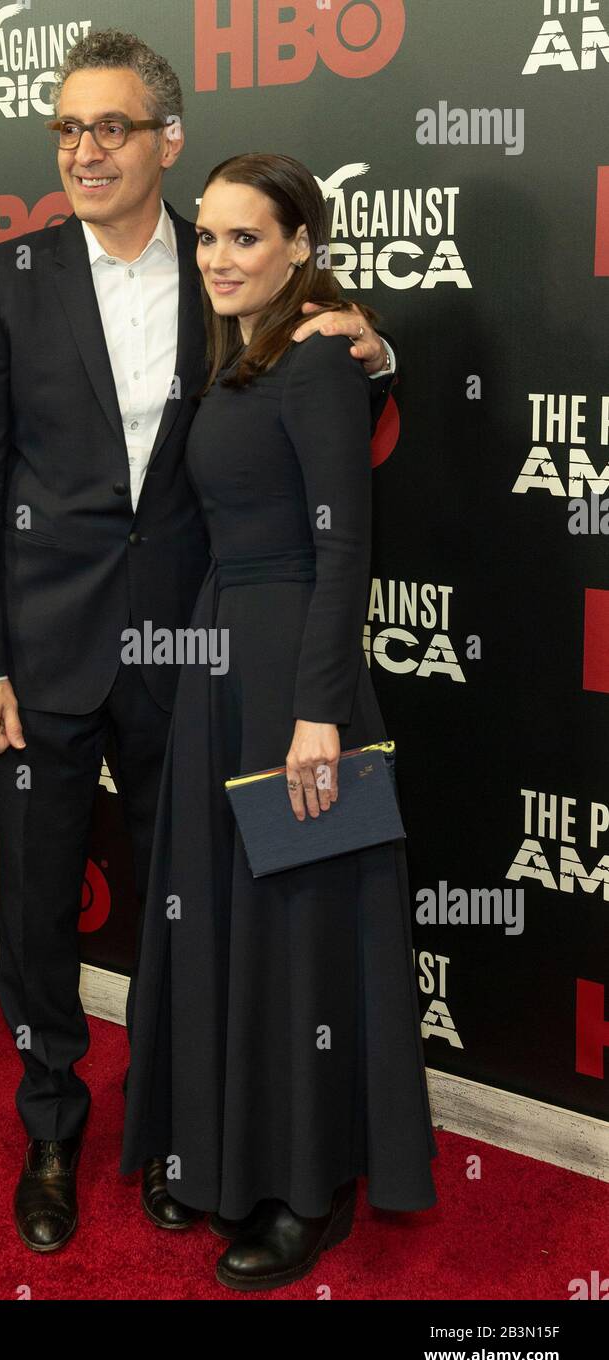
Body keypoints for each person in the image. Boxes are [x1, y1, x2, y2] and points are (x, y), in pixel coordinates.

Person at [0, 29, 399, 1256]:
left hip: (195, 654)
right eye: (66, 129)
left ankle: (175, 1129)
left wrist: (377, 348)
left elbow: (321, 382)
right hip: (40, 651)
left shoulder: (226, 252)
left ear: (166, 140)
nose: (84, 151)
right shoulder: (6, 276)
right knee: (36, 907)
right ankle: (51, 1128)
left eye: (112, 128)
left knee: (187, 907)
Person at [120, 152, 437, 1292]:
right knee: (225, 921)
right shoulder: (237, 353)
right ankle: (217, 1151)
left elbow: (344, 543)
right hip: (222, 668)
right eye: (205, 236)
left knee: (300, 935)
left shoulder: (313, 360)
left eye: (245, 238)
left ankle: (311, 1193)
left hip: (299, 678)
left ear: (300, 244)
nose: (216, 257)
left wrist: (318, 715)